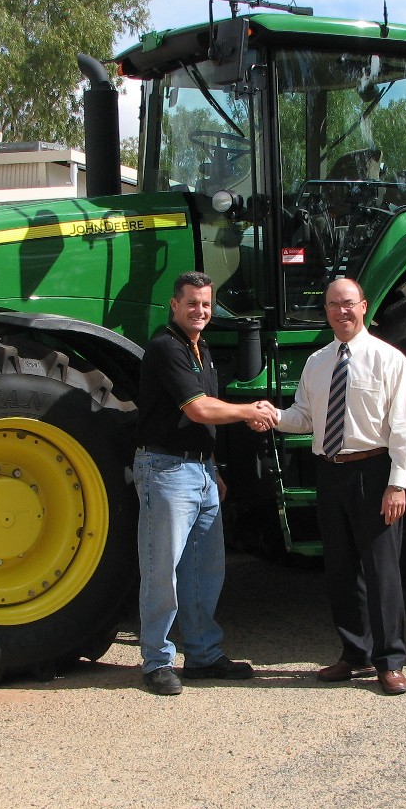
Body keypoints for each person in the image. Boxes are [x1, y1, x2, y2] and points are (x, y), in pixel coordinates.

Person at [265, 277, 406, 695]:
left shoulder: (389, 360)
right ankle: (354, 653)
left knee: (381, 571)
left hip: (374, 471)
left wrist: (397, 484)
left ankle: (390, 661)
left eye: (348, 304)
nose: (341, 311)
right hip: (329, 471)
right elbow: (304, 419)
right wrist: (271, 415)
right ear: (326, 311)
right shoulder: (316, 363)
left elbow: (402, 429)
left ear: (363, 307)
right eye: (333, 305)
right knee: (341, 569)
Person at [134, 270, 277, 696]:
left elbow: (203, 418)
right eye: (192, 303)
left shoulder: (203, 350)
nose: (200, 311)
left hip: (198, 472)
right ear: (174, 305)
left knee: (204, 570)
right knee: (163, 571)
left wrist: (213, 468)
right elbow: (198, 409)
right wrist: (249, 410)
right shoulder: (165, 347)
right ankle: (156, 662)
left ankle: (203, 655)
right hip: (166, 471)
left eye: (206, 305)